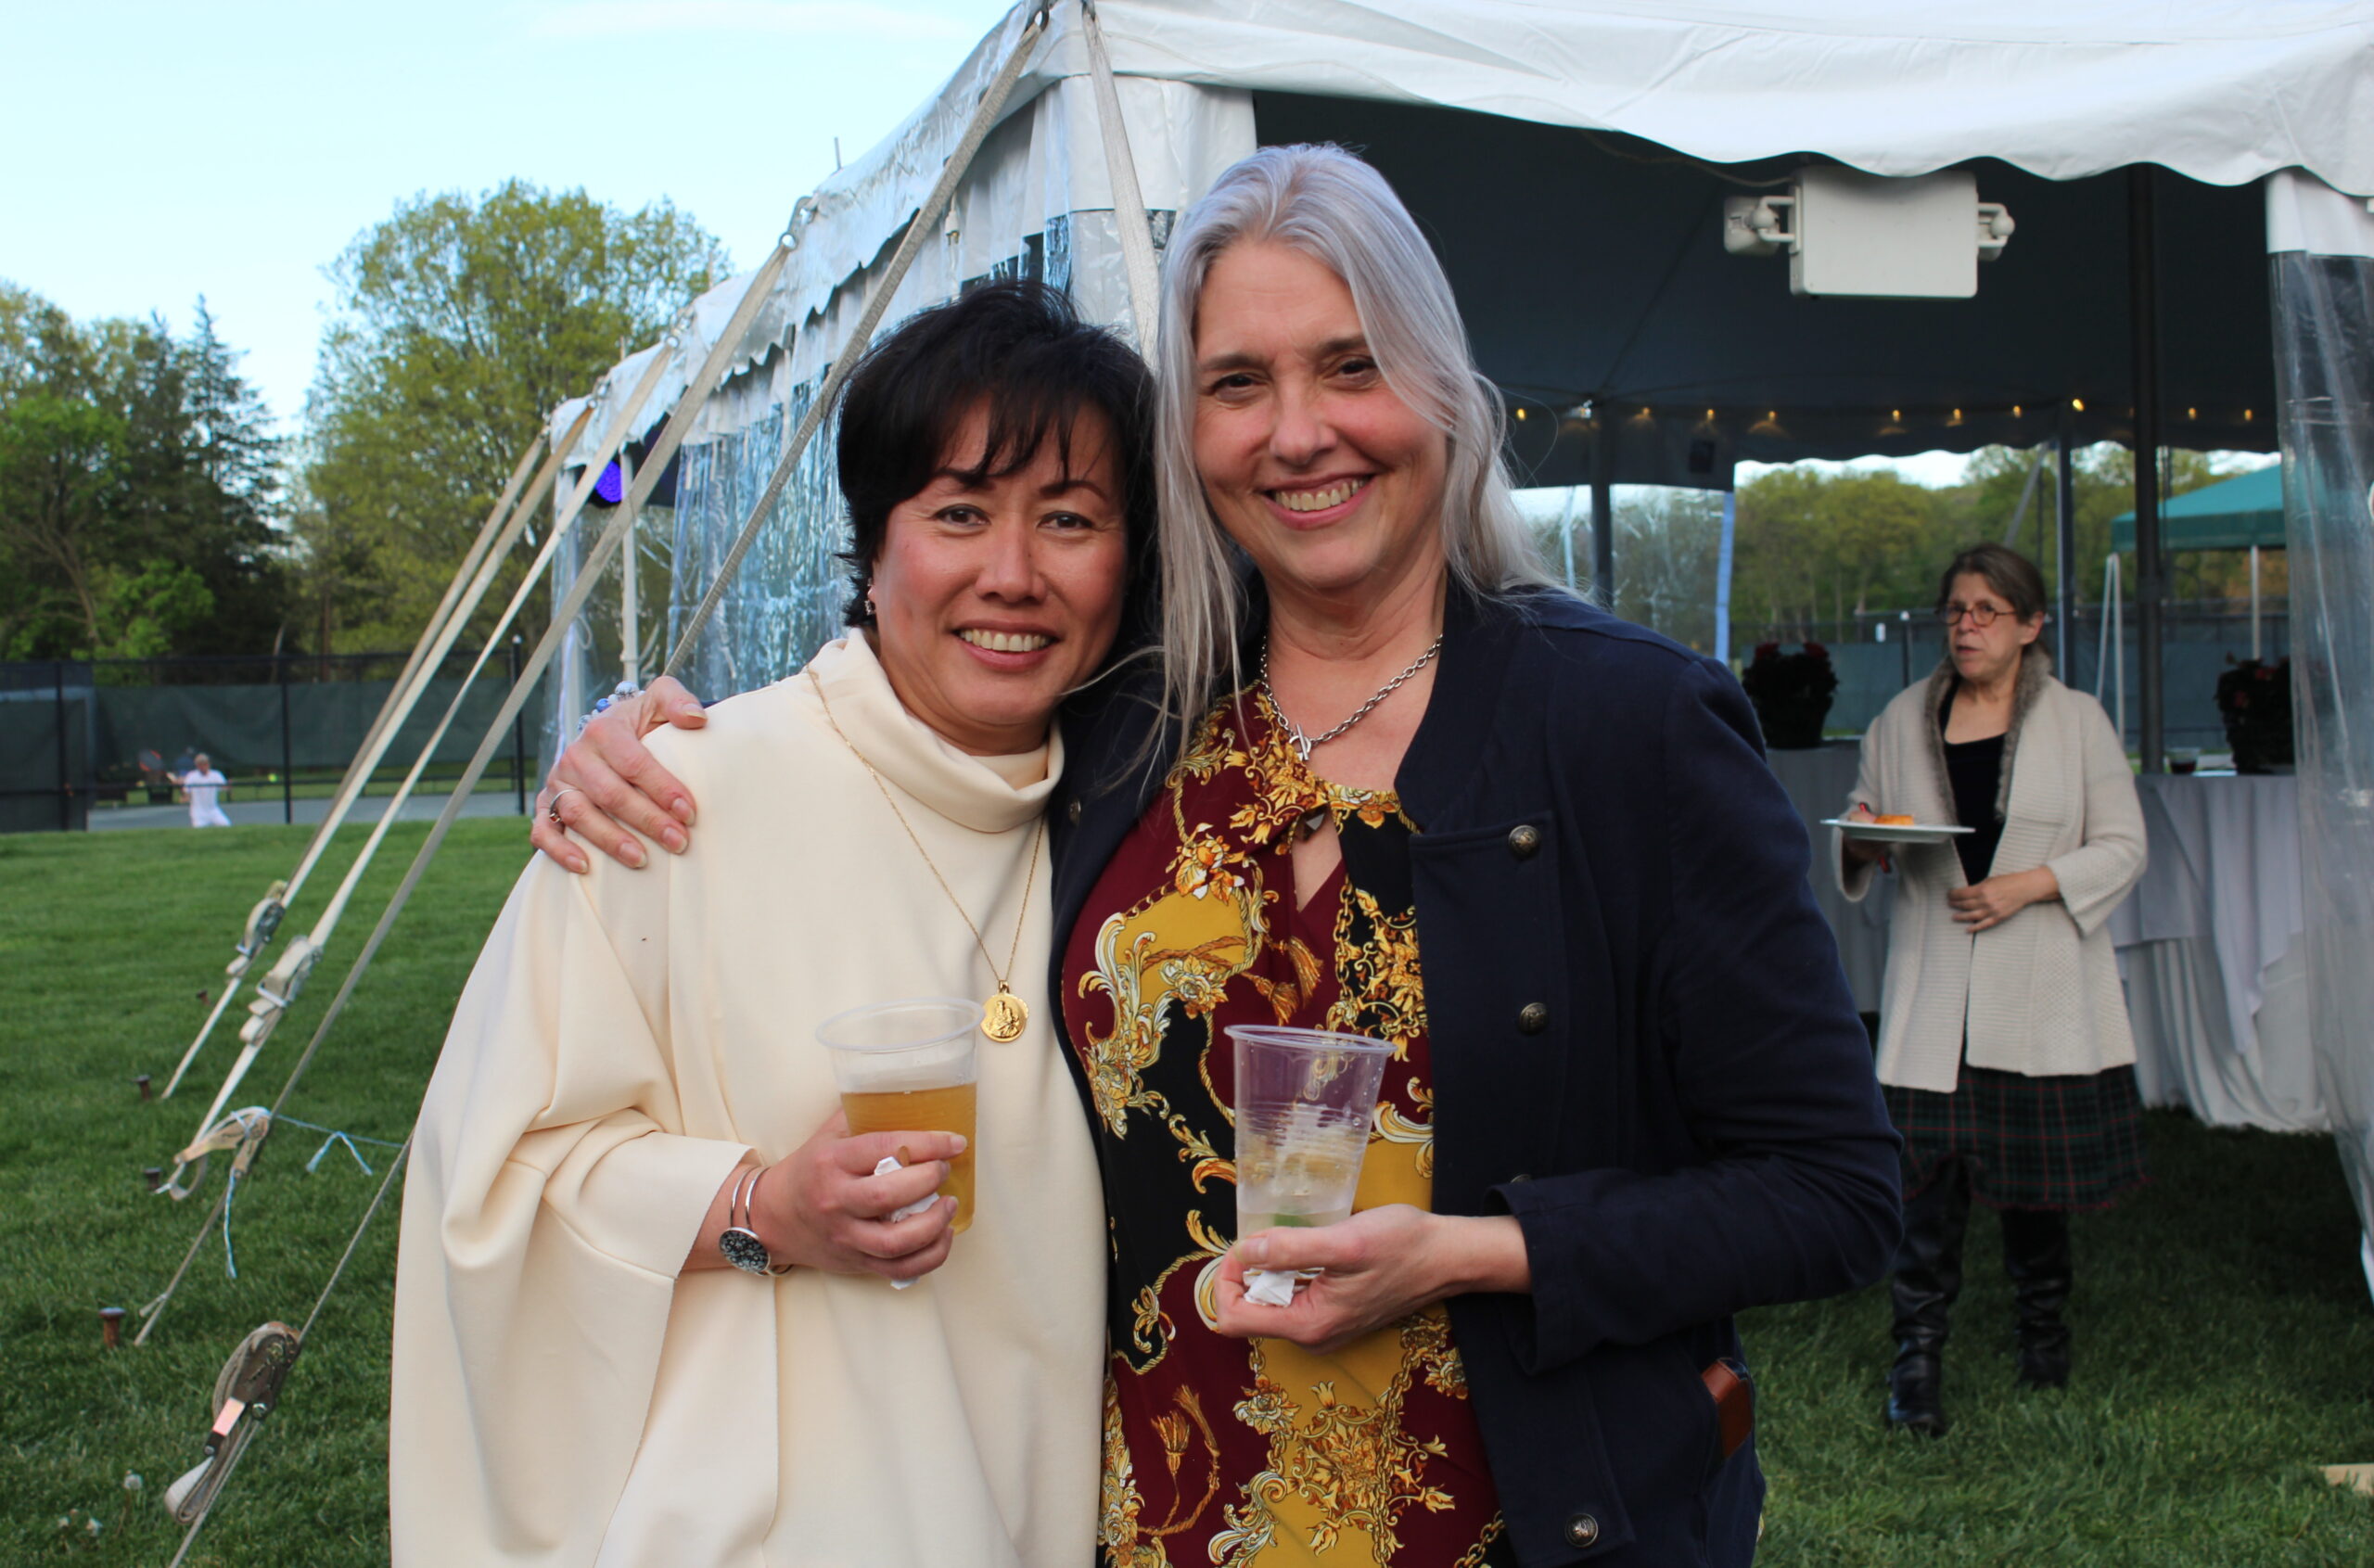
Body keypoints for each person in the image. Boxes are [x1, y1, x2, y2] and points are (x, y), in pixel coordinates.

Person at [540, 145, 1900, 1566]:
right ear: (1189, 432)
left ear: (1444, 387)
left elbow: (1836, 1190)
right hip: (1166, 1527)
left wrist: (1478, 1251)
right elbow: (906, 701)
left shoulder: (1628, 726)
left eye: (1351, 366)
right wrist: (662, 740)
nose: (1297, 433)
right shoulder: (1126, 721)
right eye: (1238, 384)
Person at [390, 279, 1155, 1567]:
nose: (1013, 574)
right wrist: (760, 1206)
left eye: (1069, 519)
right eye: (958, 512)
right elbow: (492, 1178)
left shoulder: (1139, 823)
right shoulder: (672, 798)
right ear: (873, 545)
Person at [1836, 542, 2147, 1438]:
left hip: (2039, 991)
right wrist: (1862, 835)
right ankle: (1916, 1363)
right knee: (1923, 1196)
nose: (1966, 626)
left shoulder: (2079, 721)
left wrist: (2028, 885)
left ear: (2030, 625)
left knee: (2034, 1189)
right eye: (1956, 610)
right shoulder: (1901, 718)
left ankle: (2044, 1341)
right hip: (1934, 992)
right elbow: (1865, 817)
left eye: (1986, 611)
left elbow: (2124, 845)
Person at [170, 753, 232, 826]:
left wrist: (228, 786)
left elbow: (224, 788)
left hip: (214, 810)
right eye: (200, 764)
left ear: (208, 764)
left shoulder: (216, 775)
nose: (203, 766)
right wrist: (185, 797)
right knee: (199, 829)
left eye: (204, 763)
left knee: (226, 825)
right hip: (198, 813)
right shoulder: (192, 776)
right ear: (197, 765)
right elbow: (186, 792)